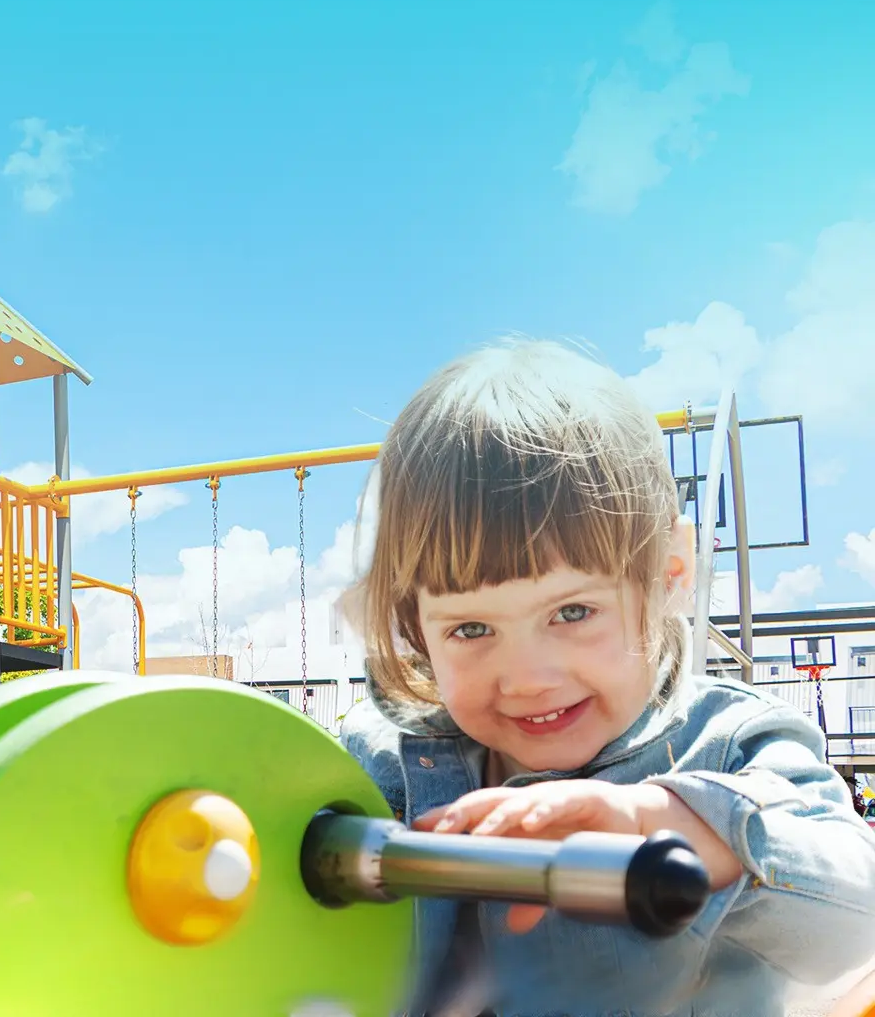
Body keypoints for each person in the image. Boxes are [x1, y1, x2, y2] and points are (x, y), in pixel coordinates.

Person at [337, 339, 875, 1016]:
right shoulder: (383, 762)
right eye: (471, 629)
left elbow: (859, 911)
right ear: (416, 623)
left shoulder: (736, 743)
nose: (527, 678)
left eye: (572, 611)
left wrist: (688, 826)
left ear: (670, 575)